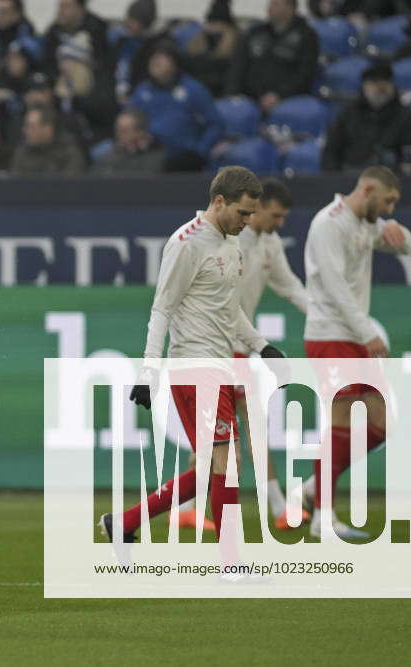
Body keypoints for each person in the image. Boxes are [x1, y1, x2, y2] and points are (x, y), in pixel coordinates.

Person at [99, 167, 285, 567]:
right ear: (219, 202)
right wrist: (148, 372)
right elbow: (162, 308)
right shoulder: (185, 243)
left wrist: (262, 346)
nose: (247, 221)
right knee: (225, 464)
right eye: (243, 212)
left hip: (221, 365)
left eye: (252, 214)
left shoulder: (230, 243)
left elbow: (229, 309)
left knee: (214, 467)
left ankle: (124, 521)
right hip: (194, 366)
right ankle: (232, 563)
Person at [173, 179, 309, 532]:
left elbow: (289, 284)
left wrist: (320, 314)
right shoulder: (228, 241)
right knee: (245, 429)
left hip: (239, 348)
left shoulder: (269, 242)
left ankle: (187, 507)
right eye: (275, 215)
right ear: (257, 208)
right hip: (218, 347)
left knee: (219, 437)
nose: (279, 223)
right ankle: (278, 506)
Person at [300, 166, 411, 539]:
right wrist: (368, 333)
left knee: (382, 424)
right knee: (341, 421)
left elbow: (410, 246)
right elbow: (335, 287)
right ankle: (323, 518)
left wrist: (399, 232)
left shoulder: (366, 224)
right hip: (332, 334)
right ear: (367, 190)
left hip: (352, 335)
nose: (388, 209)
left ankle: (312, 489)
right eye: (387, 201)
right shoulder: (329, 225)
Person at [130, 45, 223, 172]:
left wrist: (201, 149)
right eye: (153, 58)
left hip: (183, 155)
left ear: (175, 64)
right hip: (148, 151)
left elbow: (215, 124)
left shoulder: (193, 89)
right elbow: (128, 118)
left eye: (162, 58)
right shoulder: (142, 91)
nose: (156, 61)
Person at [321, 61, 411, 173]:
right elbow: (331, 152)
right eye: (374, 82)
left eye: (385, 81)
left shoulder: (408, 117)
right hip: (351, 178)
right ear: (364, 86)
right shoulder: (347, 114)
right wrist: (335, 180)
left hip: (392, 181)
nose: (380, 87)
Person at [226, 0, 320, 114]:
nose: (270, 8)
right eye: (270, 4)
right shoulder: (255, 33)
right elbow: (238, 67)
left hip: (286, 99)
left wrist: (280, 95)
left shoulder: (307, 36)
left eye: (276, 4)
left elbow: (305, 74)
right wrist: (233, 94)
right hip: (248, 98)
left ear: (290, 9)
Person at [10, 106, 85, 176]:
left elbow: (71, 184)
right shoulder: (22, 153)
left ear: (47, 129)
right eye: (26, 126)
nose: (25, 131)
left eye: (31, 127)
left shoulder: (69, 153)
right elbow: (15, 182)